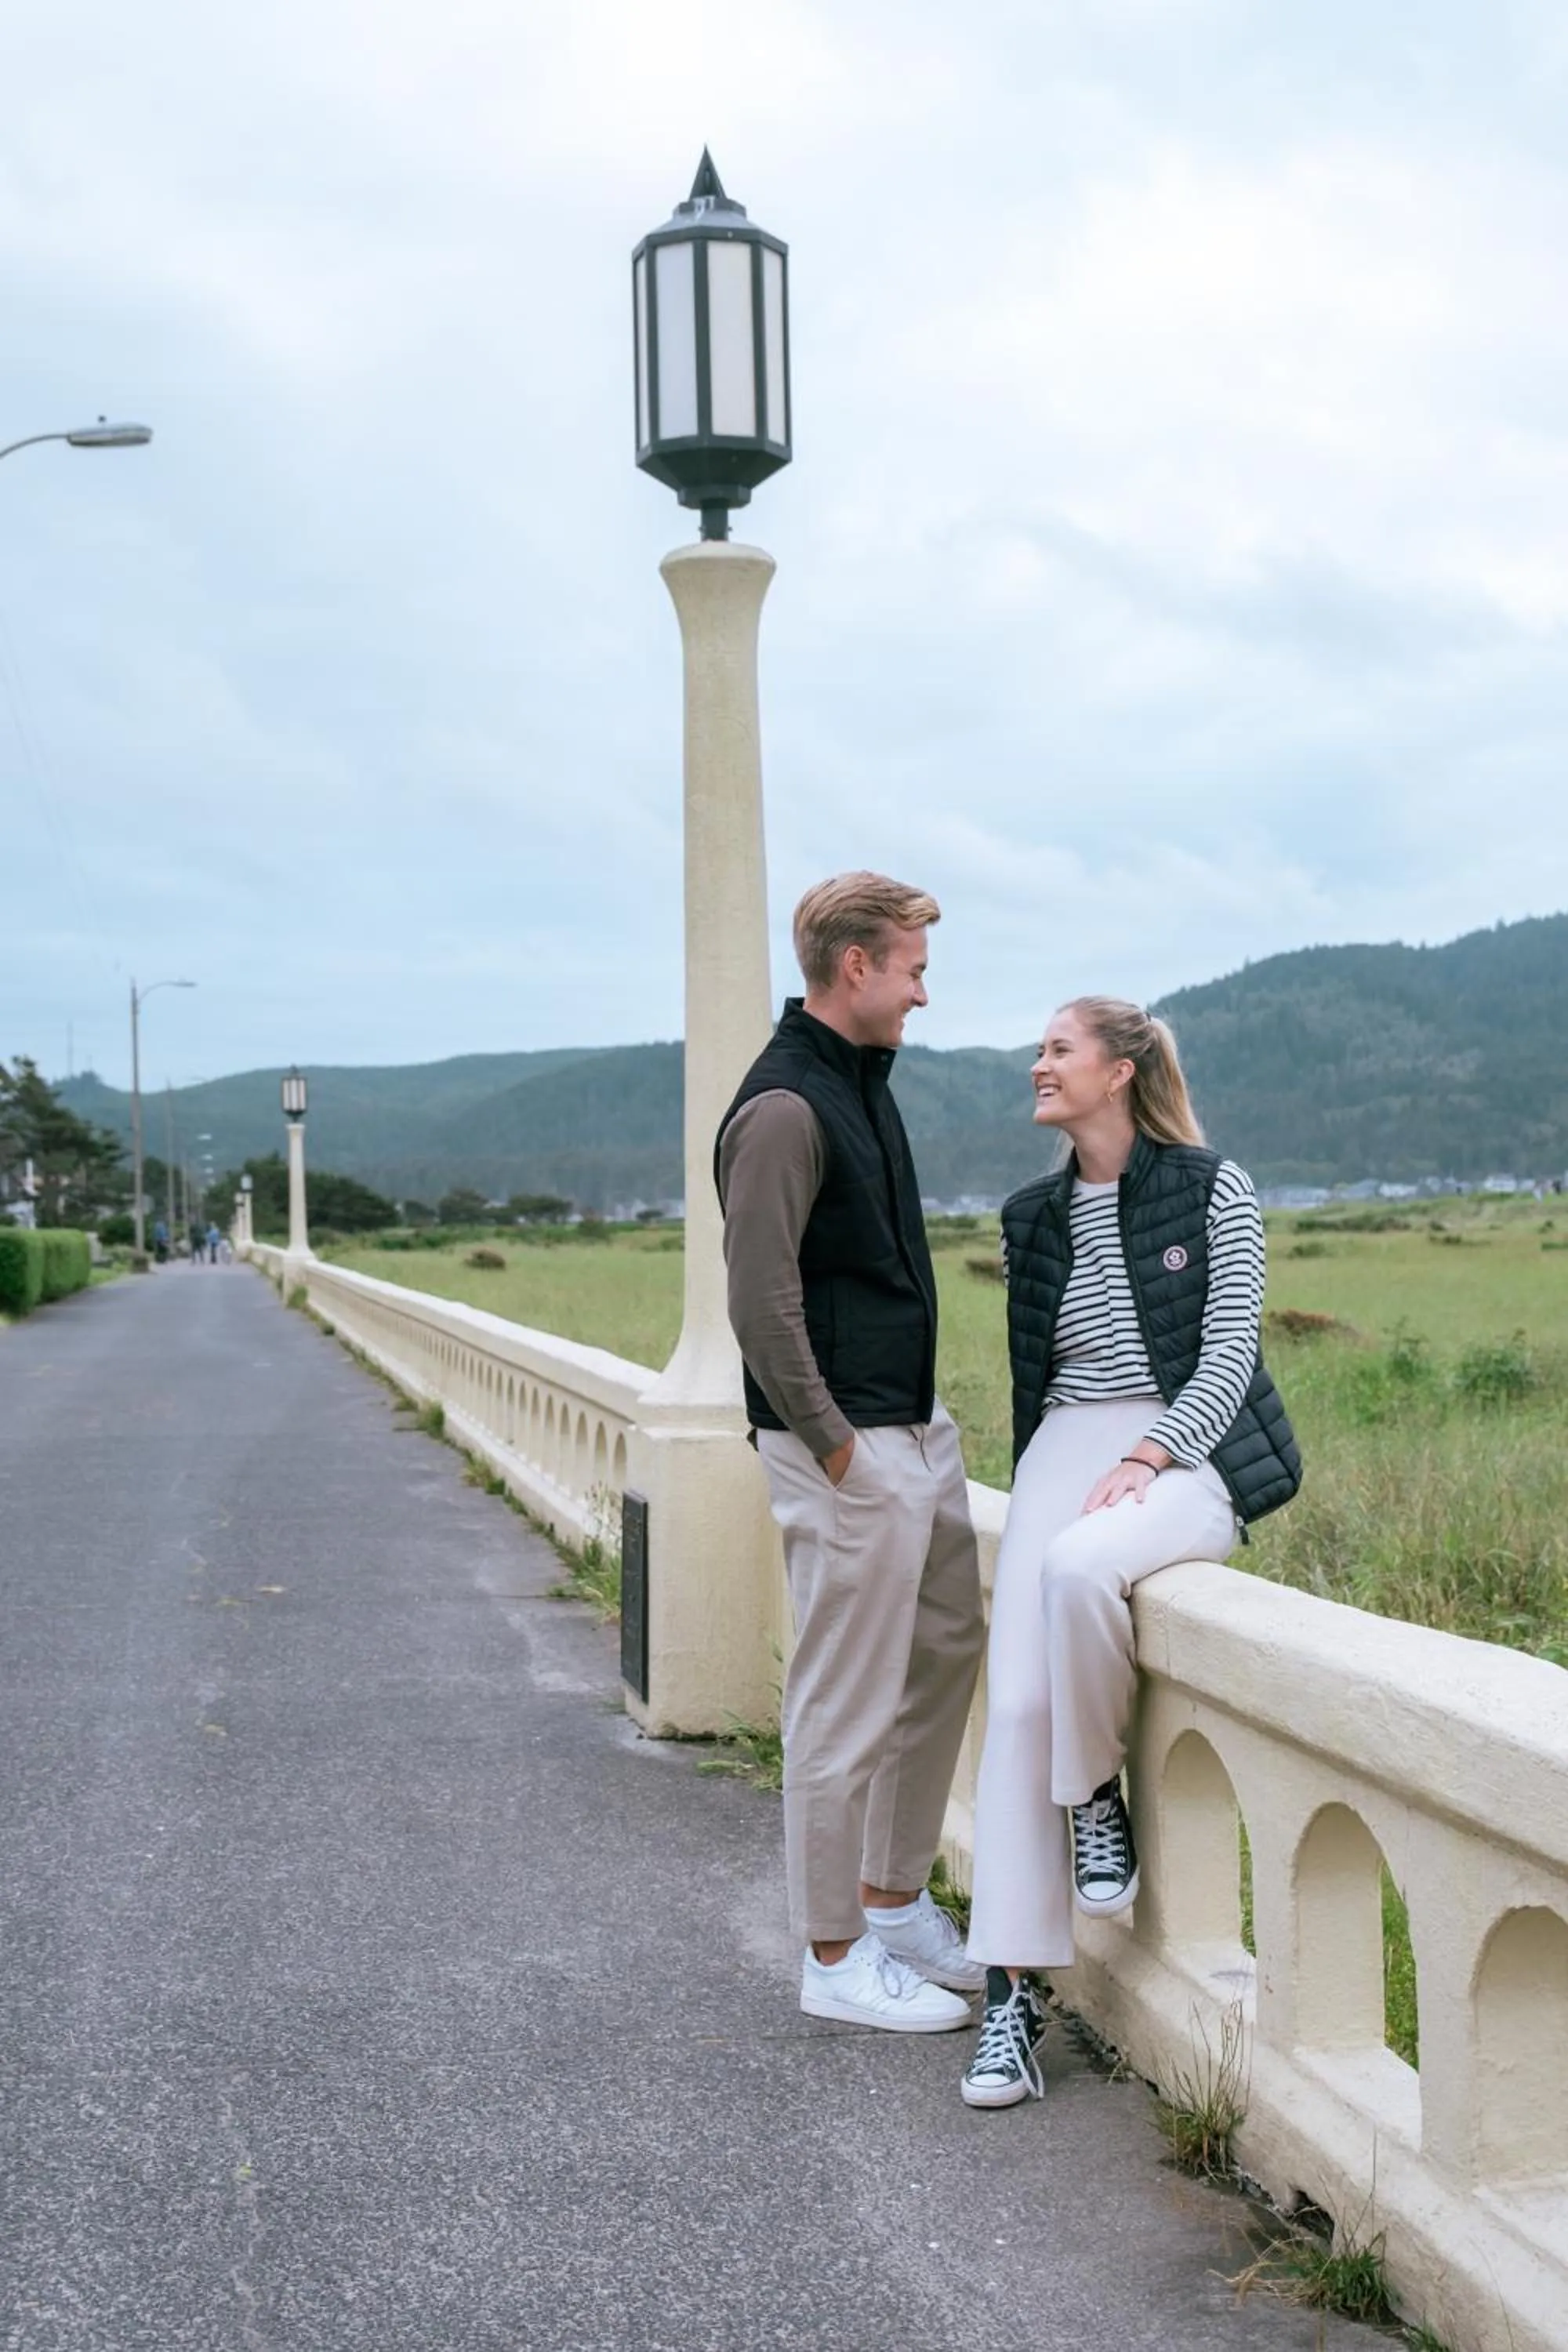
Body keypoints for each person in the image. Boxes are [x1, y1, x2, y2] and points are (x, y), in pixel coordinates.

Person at [960, 997, 1301, 2110]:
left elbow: (1227, 1357)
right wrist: (1092, 1457)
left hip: (1186, 1454)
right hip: (1067, 1441)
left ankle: (1094, 1786)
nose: (1037, 1066)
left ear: (1120, 1071)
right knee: (1014, 1707)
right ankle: (1012, 1993)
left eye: (1057, 1049)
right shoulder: (1033, 1216)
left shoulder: (1213, 1188)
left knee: (1078, 1569)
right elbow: (1039, 1382)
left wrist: (1153, 1453)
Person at [717, 873, 987, 2033]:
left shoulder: (862, 1085)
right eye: (915, 968)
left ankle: (889, 1901)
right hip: (845, 1446)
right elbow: (759, 1301)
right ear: (859, 968)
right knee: (839, 1702)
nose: (926, 992)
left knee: (945, 1650)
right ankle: (832, 1955)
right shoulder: (786, 1108)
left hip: (909, 1425)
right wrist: (838, 1453)